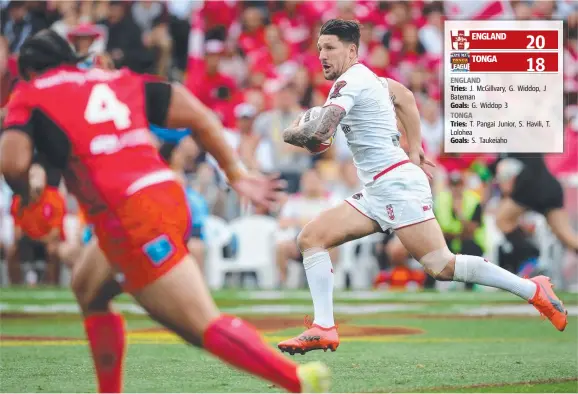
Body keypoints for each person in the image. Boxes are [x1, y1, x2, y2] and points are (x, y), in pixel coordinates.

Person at [0, 30, 329, 393]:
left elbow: (12, 163)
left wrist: (26, 195)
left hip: (132, 218)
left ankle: (299, 382)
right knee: (87, 288)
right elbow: (197, 113)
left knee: (198, 325)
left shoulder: (31, 93)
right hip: (167, 194)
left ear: (28, 70)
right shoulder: (114, 79)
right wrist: (237, 174)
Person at [277, 19, 568, 355]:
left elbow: (322, 132)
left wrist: (293, 132)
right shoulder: (369, 79)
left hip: (395, 185)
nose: (322, 56)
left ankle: (533, 290)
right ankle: (324, 327)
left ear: (352, 50)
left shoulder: (351, 80)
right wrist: (413, 146)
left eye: (330, 48)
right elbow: (404, 95)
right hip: (380, 187)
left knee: (441, 266)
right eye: (319, 49)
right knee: (311, 238)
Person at [492, 155, 578, 265]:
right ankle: (530, 255)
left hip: (531, 188)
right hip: (550, 189)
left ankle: (531, 257)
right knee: (565, 234)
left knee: (502, 220)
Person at [7, 162, 66, 285]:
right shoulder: (19, 200)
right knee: (11, 250)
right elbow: (17, 231)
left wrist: (39, 240)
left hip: (47, 240)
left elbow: (55, 232)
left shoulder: (55, 198)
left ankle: (52, 284)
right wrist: (26, 240)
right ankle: (15, 285)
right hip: (27, 241)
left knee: (53, 250)